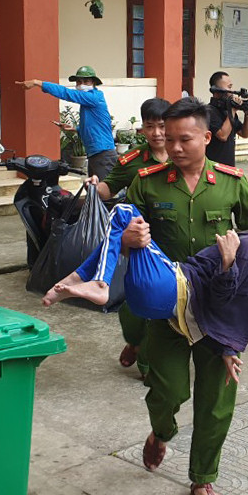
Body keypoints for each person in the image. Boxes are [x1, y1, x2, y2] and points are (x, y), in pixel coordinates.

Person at [118, 97, 248, 495]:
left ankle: (203, 480)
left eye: (184, 139)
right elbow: (117, 229)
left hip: (220, 311)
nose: (173, 146)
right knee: (167, 388)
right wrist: (127, 239)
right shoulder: (149, 182)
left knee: (216, 401)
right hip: (167, 308)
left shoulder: (231, 182)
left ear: (207, 138)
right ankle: (161, 431)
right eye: (168, 139)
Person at [41, 199, 248, 385]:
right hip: (164, 295)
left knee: (124, 212)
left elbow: (226, 298)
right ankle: (75, 280)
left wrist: (228, 262)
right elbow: (242, 303)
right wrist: (227, 348)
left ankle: (100, 283)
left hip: (170, 287)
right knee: (131, 229)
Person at [89, 97, 170, 377]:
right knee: (135, 303)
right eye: (150, 127)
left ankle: (149, 363)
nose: (157, 133)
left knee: (160, 307)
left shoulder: (183, 153)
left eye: (162, 126)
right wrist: (94, 186)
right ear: (142, 130)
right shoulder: (133, 160)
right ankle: (135, 341)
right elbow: (109, 189)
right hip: (139, 244)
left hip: (172, 242)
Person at [16, 66, 118, 180]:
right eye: (79, 81)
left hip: (103, 154)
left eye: (86, 81)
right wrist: (75, 129)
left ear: (93, 82)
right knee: (95, 191)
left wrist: (37, 82)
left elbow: (66, 93)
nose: (82, 84)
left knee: (105, 193)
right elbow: (96, 126)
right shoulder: (88, 101)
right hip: (96, 154)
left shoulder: (94, 98)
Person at [205, 71, 248, 166]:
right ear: (216, 90)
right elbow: (222, 136)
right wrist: (233, 110)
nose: (232, 92)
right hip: (214, 168)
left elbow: (244, 133)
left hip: (229, 168)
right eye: (229, 87)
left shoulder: (227, 111)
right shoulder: (208, 111)